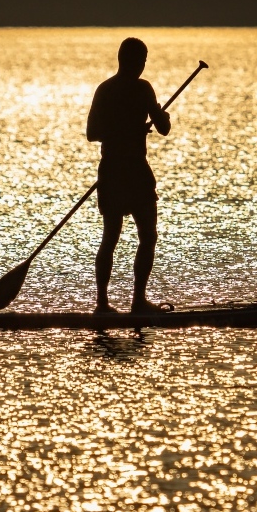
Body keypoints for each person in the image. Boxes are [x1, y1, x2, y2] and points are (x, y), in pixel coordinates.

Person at [87, 37, 171, 314]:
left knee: (148, 236)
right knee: (111, 238)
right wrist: (128, 130)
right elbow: (92, 134)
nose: (142, 65)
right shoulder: (114, 89)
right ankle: (102, 304)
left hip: (131, 171)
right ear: (127, 60)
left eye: (145, 60)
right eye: (140, 59)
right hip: (118, 170)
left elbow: (163, 128)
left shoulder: (136, 89)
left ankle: (138, 301)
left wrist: (159, 114)